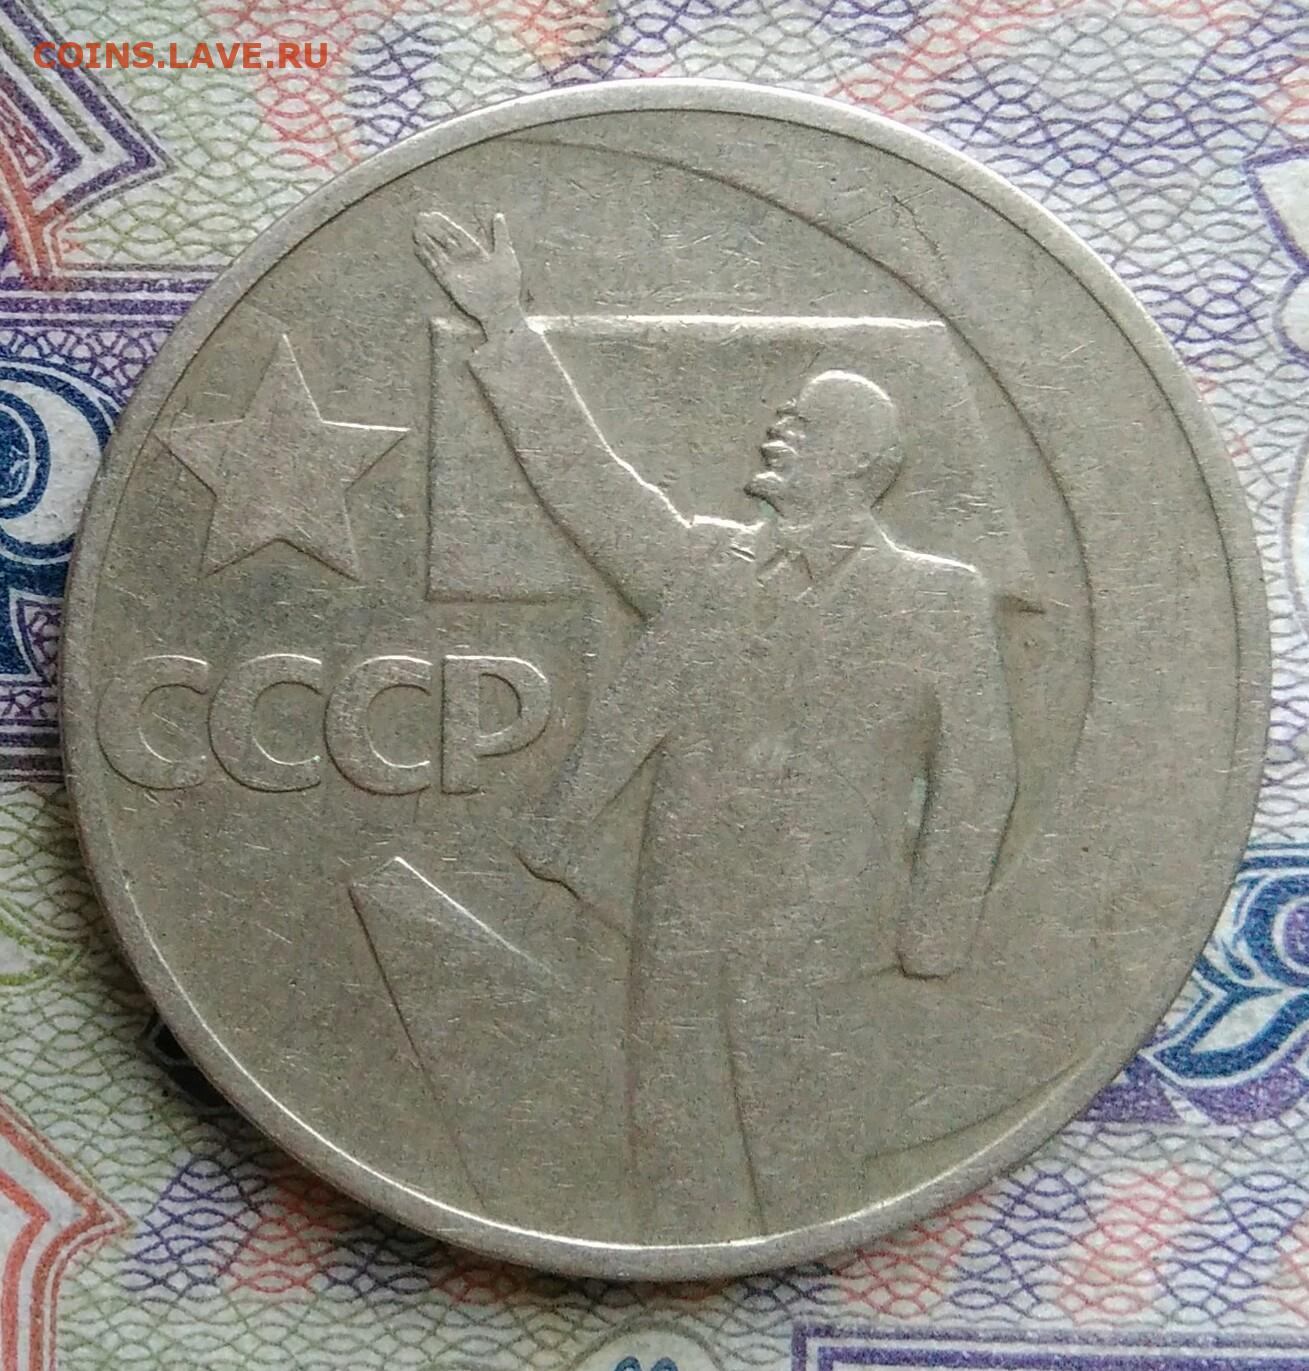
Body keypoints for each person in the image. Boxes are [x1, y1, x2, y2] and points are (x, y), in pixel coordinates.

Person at [415, 209, 1017, 1238]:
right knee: (675, 1168)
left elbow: (977, 775)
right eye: (785, 416)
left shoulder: (937, 598)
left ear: (863, 464)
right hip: (675, 920)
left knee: (812, 1177)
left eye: (806, 423)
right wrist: (506, 326)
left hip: (827, 938)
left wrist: (932, 933)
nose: (778, 428)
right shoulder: (703, 566)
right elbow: (587, 481)